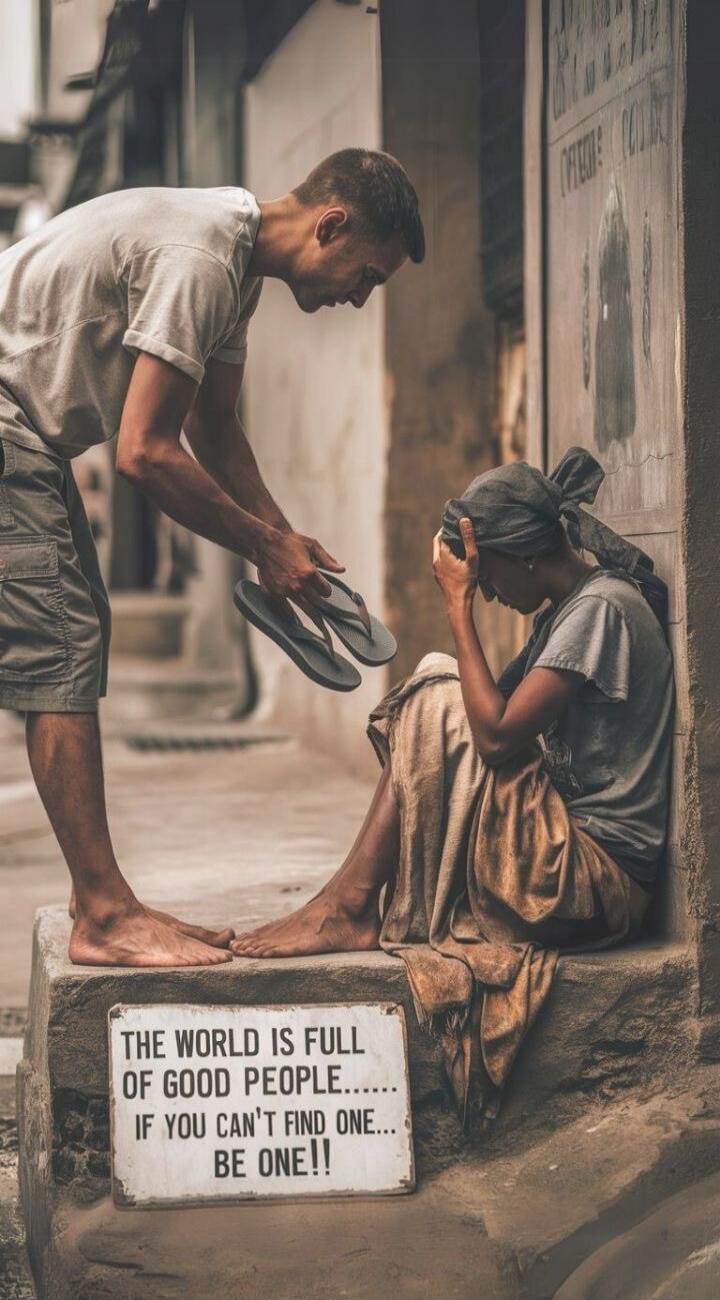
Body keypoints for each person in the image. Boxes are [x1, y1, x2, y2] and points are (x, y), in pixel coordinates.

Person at [0, 148, 425, 969]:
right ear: (330, 225)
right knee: (60, 647)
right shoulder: (201, 259)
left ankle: (109, 902)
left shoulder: (232, 266)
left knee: (70, 634)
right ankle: (103, 914)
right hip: (8, 420)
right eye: (366, 275)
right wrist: (261, 545)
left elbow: (215, 430)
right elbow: (145, 453)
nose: (357, 297)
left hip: (27, 431)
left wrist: (283, 538)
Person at [233, 448, 674, 1118]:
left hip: (593, 883)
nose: (489, 589)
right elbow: (481, 724)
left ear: (524, 555)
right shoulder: (570, 610)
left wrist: (457, 606)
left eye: (487, 572)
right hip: (565, 862)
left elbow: (494, 736)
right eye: (477, 581)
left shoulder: (602, 610)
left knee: (440, 677)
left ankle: (350, 907)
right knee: (436, 691)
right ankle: (347, 905)